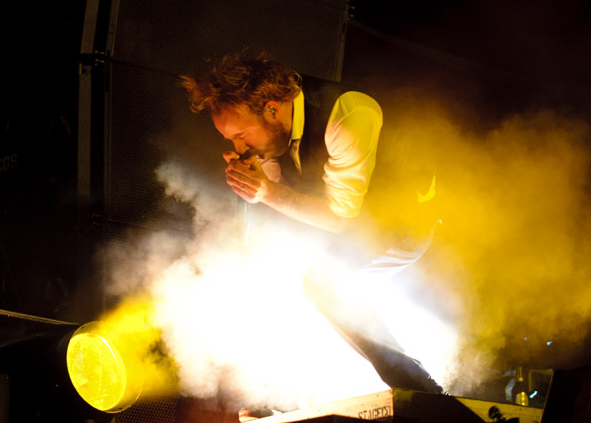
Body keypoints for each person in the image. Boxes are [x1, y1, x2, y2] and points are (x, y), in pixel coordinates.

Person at [180, 52, 442, 411]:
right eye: (231, 140)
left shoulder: (348, 115)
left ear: (272, 109)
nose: (238, 148)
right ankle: (280, 398)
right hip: (349, 224)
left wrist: (266, 192)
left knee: (323, 286)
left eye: (241, 136)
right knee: (274, 268)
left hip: (402, 222)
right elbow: (284, 207)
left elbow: (341, 215)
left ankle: (422, 391)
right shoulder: (274, 135)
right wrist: (253, 183)